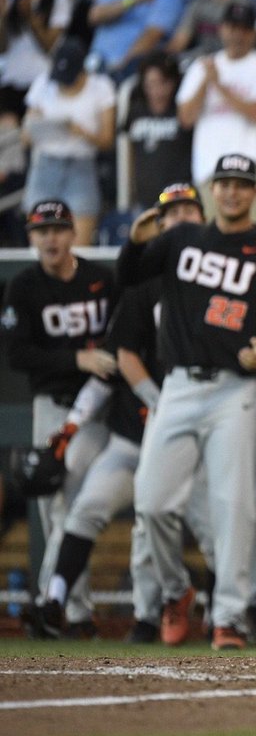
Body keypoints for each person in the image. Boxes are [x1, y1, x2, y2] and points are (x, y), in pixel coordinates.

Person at [116, 153, 256, 650]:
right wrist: (137, 239)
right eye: (223, 182)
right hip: (177, 385)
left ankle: (228, 616)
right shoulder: (181, 239)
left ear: (252, 192)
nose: (232, 191)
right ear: (212, 189)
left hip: (235, 390)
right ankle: (176, 591)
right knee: (152, 503)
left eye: (242, 183)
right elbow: (130, 276)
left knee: (236, 507)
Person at [18, 185, 209, 641]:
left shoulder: (221, 281)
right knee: (86, 510)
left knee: (209, 524)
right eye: (171, 213)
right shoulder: (141, 287)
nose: (180, 219)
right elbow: (115, 360)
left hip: (199, 436)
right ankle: (58, 602)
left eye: (189, 210)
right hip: (134, 433)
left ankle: (221, 613)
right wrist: (69, 428)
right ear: (158, 226)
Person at [2, 199, 115, 636]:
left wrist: (86, 365)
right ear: (31, 237)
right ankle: (71, 610)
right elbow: (18, 354)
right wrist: (77, 359)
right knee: (55, 511)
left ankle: (58, 605)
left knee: (73, 507)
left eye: (57, 229)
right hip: (51, 406)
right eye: (40, 230)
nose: (49, 238)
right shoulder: (24, 288)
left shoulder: (99, 280)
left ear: (72, 234)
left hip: (97, 408)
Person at [177, 0, 256, 227]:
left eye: (244, 29)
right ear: (222, 29)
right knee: (211, 241)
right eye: (232, 28)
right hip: (211, 170)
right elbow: (185, 118)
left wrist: (220, 86)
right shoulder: (202, 67)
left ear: (254, 33)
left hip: (254, 167)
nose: (237, 35)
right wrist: (206, 81)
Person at [21, 38, 116, 247]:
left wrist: (81, 132)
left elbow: (107, 141)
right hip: (45, 165)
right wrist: (40, 127)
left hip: (81, 168)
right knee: (39, 246)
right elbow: (25, 136)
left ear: (82, 70)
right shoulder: (43, 83)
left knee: (80, 247)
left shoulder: (101, 87)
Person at [124, 52, 192, 210]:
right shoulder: (136, 110)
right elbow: (130, 151)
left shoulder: (182, 112)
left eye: (162, 83)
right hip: (144, 197)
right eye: (150, 84)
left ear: (173, 82)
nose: (156, 90)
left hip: (179, 197)